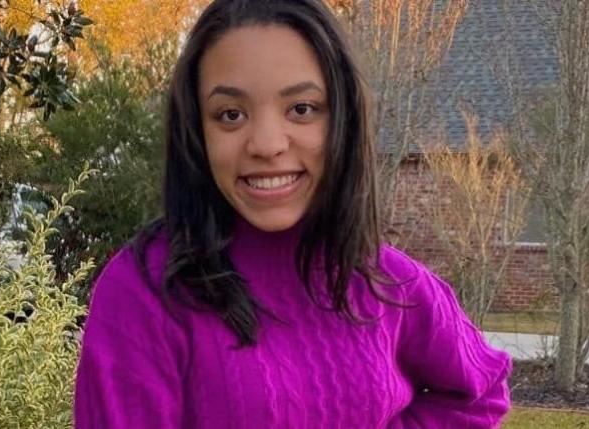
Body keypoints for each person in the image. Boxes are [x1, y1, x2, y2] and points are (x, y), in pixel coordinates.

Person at [73, 0, 512, 427]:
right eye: (231, 114)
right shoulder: (143, 294)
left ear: (342, 119)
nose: (267, 144)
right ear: (196, 131)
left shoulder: (389, 283)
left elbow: (481, 391)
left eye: (302, 109)